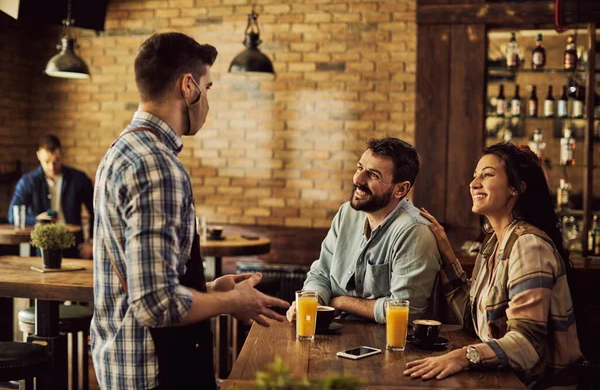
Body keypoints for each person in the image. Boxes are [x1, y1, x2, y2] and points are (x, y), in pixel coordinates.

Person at [90, 32, 289, 390]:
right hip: (155, 370)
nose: (208, 101)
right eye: (208, 88)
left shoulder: (121, 150)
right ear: (188, 86)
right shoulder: (158, 165)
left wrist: (211, 288)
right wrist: (231, 301)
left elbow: (147, 281)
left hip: (123, 360)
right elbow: (155, 303)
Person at [404, 142, 582, 388]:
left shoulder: (529, 245)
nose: (473, 183)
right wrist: (447, 253)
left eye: (486, 175)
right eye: (474, 175)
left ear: (515, 188)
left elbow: (528, 344)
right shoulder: (493, 244)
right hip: (502, 379)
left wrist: (463, 356)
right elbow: (472, 317)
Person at [286, 138, 441, 324]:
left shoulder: (414, 231)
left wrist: (341, 303)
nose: (357, 180)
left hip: (392, 344)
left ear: (400, 189)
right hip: (338, 331)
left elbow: (406, 310)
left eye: (373, 175)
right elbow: (321, 273)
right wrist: (311, 302)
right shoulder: (347, 213)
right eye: (360, 168)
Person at [8, 134, 94, 258]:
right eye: (46, 162)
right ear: (38, 155)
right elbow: (13, 215)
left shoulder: (79, 179)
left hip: (73, 245)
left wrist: (91, 242)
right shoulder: (27, 181)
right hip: (39, 248)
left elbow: (97, 212)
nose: (51, 167)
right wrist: (37, 220)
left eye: (56, 161)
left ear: (62, 154)